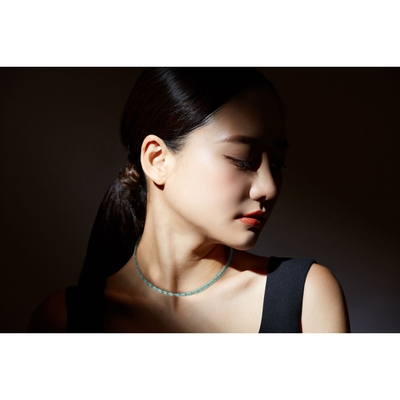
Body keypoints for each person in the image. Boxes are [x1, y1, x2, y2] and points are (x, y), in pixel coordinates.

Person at [28, 67, 350, 333]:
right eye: (243, 159)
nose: (268, 187)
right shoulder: (63, 322)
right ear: (157, 159)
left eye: (277, 164)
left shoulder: (305, 297)